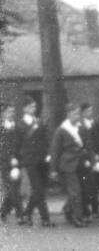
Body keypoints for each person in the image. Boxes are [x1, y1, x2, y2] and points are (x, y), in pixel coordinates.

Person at [49, 102, 95, 227]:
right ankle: (77, 218)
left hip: (81, 164)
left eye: (78, 114)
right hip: (68, 165)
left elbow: (89, 146)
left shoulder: (82, 128)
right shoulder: (61, 130)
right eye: (75, 114)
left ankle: (69, 209)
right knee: (75, 192)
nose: (77, 116)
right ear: (68, 114)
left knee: (85, 190)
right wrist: (53, 169)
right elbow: (55, 151)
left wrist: (93, 161)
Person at [17, 97, 53, 227]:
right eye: (31, 107)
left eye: (34, 106)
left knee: (40, 189)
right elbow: (17, 145)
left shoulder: (39, 121)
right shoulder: (20, 125)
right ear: (24, 108)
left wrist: (48, 153)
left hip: (42, 160)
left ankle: (27, 213)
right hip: (30, 161)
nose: (34, 109)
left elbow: (45, 139)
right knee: (38, 188)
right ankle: (46, 218)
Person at [78, 103, 99, 221]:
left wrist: (96, 155)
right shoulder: (80, 126)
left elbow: (96, 141)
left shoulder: (94, 124)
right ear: (83, 113)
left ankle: (95, 210)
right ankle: (85, 211)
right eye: (87, 111)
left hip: (94, 157)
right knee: (87, 186)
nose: (90, 113)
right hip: (85, 159)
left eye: (90, 111)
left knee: (95, 186)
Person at [0, 103, 23, 224]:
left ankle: (3, 212)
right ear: (3, 114)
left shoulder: (18, 128)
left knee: (13, 190)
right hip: (5, 164)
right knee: (12, 190)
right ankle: (20, 215)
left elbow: (20, 145)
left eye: (13, 112)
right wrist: (10, 159)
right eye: (9, 112)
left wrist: (17, 159)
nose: (12, 114)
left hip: (17, 163)